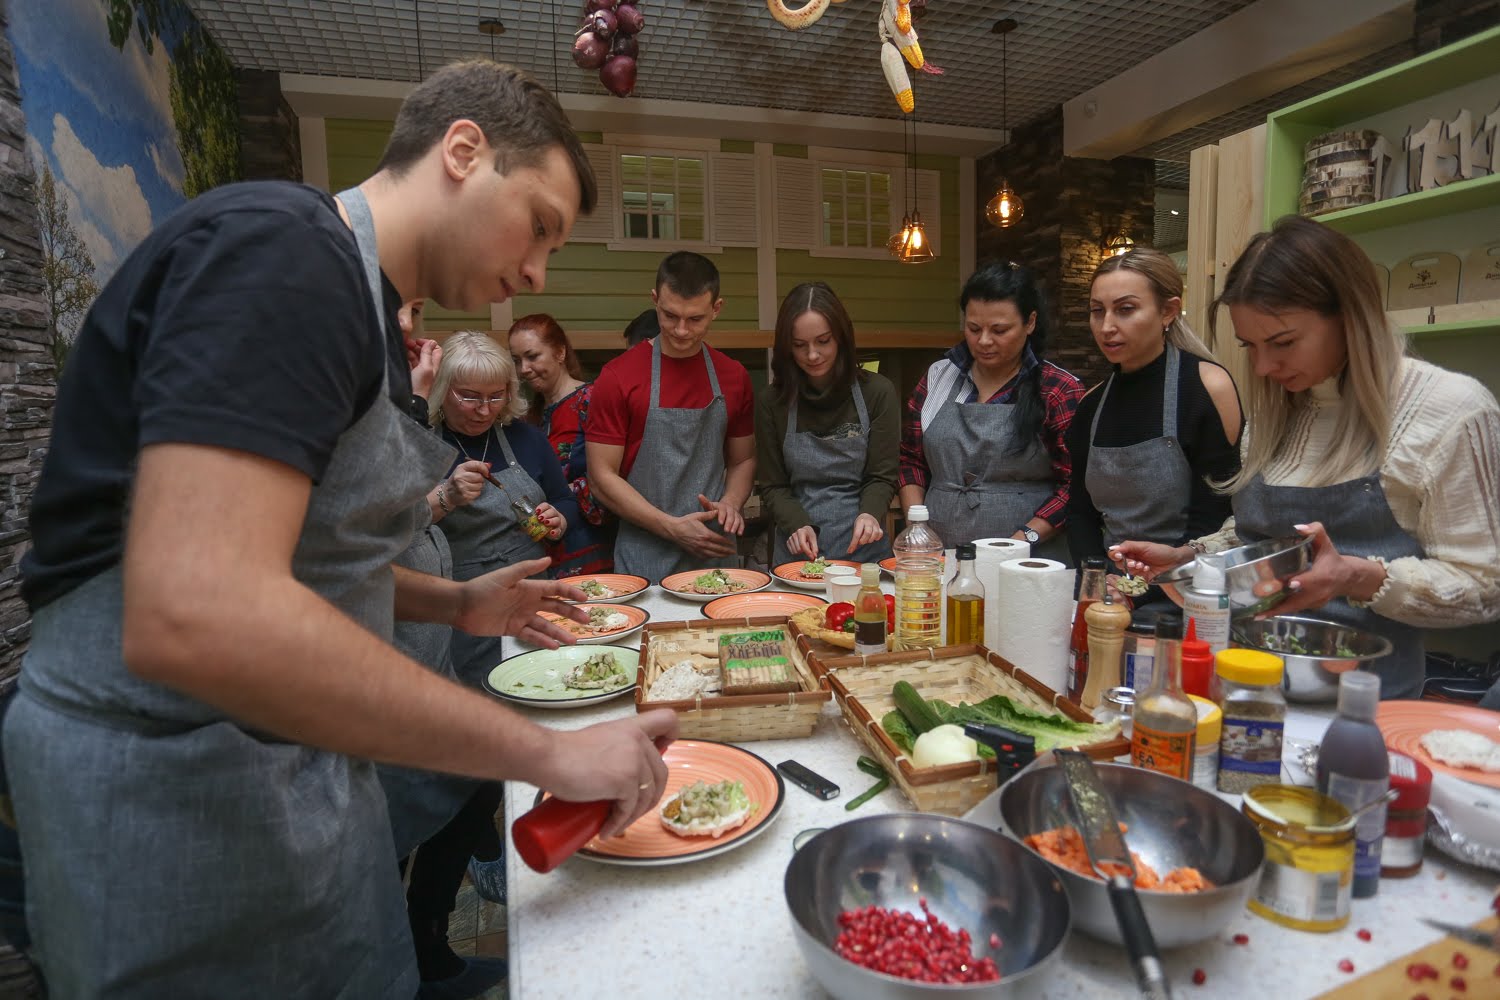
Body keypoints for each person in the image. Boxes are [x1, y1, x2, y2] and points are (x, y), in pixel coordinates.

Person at [6, 60, 677, 997]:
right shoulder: (285, 254)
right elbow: (198, 610)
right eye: (540, 226)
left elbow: (294, 559)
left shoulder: (355, 300)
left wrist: (455, 601)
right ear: (462, 151)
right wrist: (551, 754)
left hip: (284, 777)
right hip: (174, 789)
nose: (535, 271)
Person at [1115, 216, 1500, 701]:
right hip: (1244, 687)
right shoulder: (1275, 411)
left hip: (1363, 703)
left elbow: (1485, 586)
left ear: (1350, 317)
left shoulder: (1450, 411)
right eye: (1250, 346)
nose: (1263, 367)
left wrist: (1357, 577)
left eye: (1283, 343)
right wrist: (1192, 557)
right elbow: (1263, 537)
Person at [1067, 248, 1242, 604]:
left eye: (1125, 309)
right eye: (1097, 311)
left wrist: (1138, 591)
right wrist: (1097, 580)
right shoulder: (1091, 405)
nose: (1107, 326)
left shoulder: (1207, 387)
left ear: (1169, 311)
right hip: (1107, 594)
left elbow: (1216, 513)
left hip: (1187, 593)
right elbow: (1080, 513)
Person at [897, 261, 1084, 559]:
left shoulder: (1058, 388)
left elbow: (1074, 484)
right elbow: (911, 459)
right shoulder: (939, 377)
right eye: (974, 328)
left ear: (1030, 322)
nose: (984, 341)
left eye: (1000, 330)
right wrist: (916, 528)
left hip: (1028, 560)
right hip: (939, 555)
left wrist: (1020, 541)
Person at [586, 252, 756, 579]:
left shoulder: (734, 376)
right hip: (643, 557)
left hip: (713, 553)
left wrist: (732, 502)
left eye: (695, 319)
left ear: (717, 308)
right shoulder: (618, 377)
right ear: (655, 300)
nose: (680, 330)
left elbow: (743, 459)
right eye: (669, 315)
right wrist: (671, 527)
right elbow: (601, 477)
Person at [430, 331, 582, 684]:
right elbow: (402, 527)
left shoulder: (525, 437)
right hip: (463, 600)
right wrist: (447, 496)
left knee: (542, 681)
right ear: (442, 389)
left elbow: (565, 500)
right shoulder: (421, 443)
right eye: (470, 397)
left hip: (530, 592)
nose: (485, 410)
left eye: (496, 396)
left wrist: (559, 519)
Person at [756, 282, 899, 567]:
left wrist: (870, 514)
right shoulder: (772, 402)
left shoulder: (877, 392)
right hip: (798, 555)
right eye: (800, 345)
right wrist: (797, 524)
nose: (812, 355)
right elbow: (773, 485)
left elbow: (882, 476)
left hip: (865, 553)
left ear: (841, 338)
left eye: (823, 341)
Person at [510, 313, 615, 577]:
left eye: (532, 356)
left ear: (559, 352)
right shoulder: (527, 416)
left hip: (587, 543)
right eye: (517, 360)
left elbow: (615, 477)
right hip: (542, 547)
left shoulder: (592, 400)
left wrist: (560, 495)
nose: (523, 369)